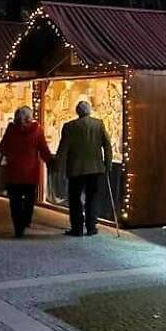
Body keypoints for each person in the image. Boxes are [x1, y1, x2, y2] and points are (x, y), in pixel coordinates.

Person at [56, 101, 112, 237]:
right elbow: (107, 145)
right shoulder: (98, 124)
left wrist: (58, 165)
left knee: (75, 199)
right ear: (90, 110)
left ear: (77, 112)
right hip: (95, 168)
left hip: (76, 169)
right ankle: (91, 227)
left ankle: (77, 228)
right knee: (92, 197)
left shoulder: (69, 127)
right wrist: (108, 164)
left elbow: (63, 148)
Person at [0, 106, 53, 238]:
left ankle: (18, 226)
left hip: (14, 171)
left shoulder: (11, 130)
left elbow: (2, 148)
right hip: (31, 171)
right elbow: (43, 149)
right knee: (29, 199)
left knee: (15, 201)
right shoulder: (37, 130)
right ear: (30, 117)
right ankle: (26, 219)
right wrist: (51, 162)